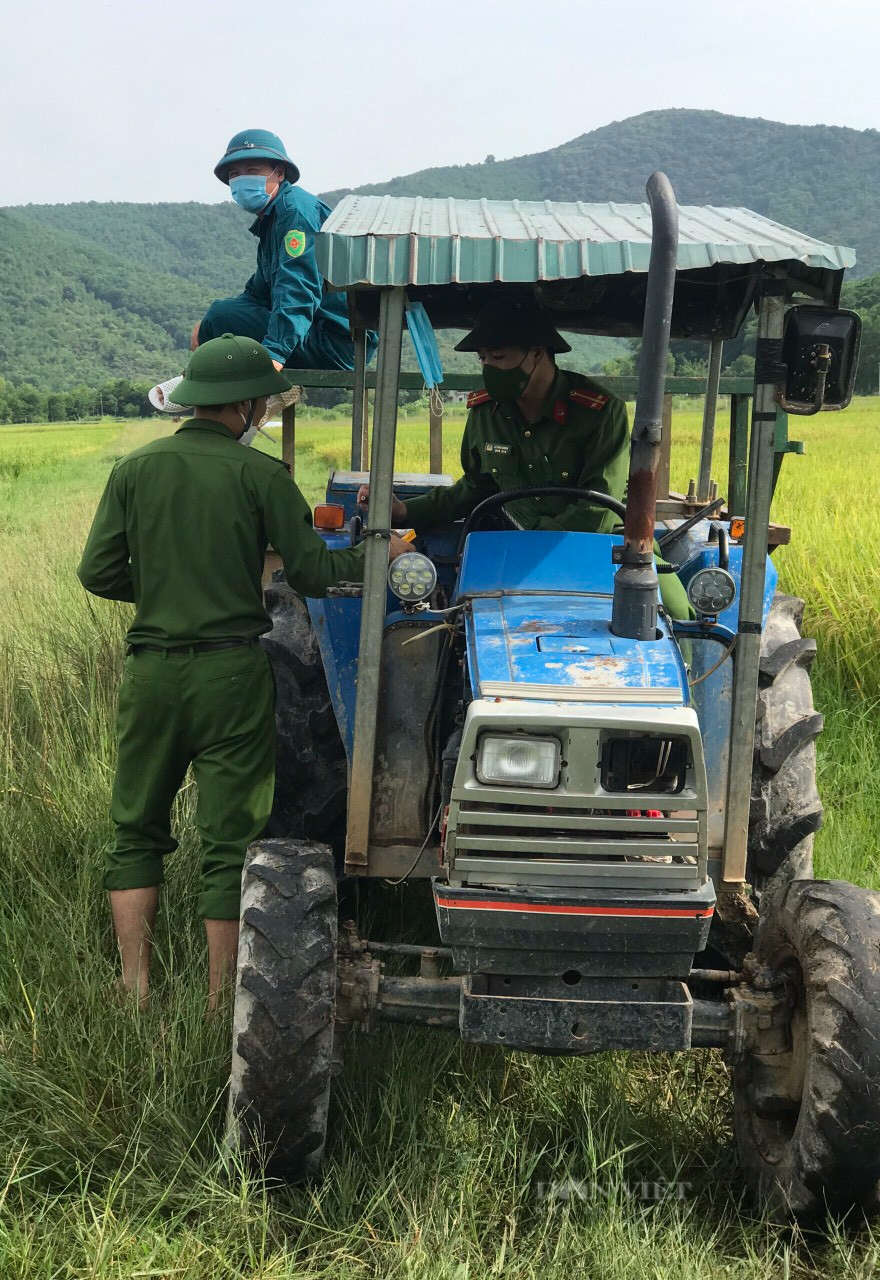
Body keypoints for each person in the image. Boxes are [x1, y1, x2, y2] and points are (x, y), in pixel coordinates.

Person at [78, 334, 405, 1011]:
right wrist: (383, 554)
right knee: (230, 838)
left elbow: (98, 572)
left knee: (135, 827)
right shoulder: (262, 477)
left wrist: (172, 591)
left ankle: (133, 984)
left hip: (152, 674)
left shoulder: (133, 470)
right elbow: (313, 572)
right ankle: (218, 996)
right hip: (230, 673)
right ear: (247, 405)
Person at [359, 297, 691, 619]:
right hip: (510, 543)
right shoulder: (484, 413)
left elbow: (597, 510)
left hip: (600, 545)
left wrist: (532, 545)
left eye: (499, 357)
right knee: (445, 614)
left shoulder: (600, 412)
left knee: (675, 612)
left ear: (537, 353)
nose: (488, 367)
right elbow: (475, 488)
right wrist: (404, 510)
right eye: (483, 359)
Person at [193, 128, 377, 373]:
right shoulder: (273, 220)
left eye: (252, 171)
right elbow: (257, 294)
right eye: (235, 174)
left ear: (279, 173)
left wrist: (275, 353)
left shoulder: (295, 214)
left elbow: (298, 288)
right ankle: (239, 400)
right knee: (219, 315)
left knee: (221, 316)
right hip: (317, 334)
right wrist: (205, 324)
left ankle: (230, 402)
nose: (241, 179)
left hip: (338, 343)